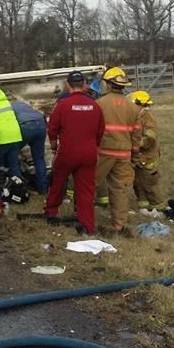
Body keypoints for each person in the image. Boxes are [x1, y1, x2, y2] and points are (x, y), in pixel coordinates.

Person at [44, 71, 104, 235]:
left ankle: (51, 212)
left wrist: (54, 146)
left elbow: (52, 128)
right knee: (85, 190)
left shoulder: (62, 105)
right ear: (84, 84)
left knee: (58, 181)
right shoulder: (95, 105)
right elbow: (100, 131)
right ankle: (87, 225)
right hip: (89, 153)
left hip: (67, 152)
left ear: (68, 85)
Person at [94, 66, 141, 235]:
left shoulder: (99, 104)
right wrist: (134, 154)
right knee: (120, 189)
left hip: (103, 152)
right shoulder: (133, 107)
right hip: (124, 154)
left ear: (108, 84)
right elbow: (137, 134)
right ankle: (119, 224)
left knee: (90, 183)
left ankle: (83, 215)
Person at [129, 90, 166, 210]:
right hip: (139, 159)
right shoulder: (138, 116)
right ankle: (144, 208)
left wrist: (134, 144)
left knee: (151, 186)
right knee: (139, 184)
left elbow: (150, 139)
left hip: (148, 159)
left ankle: (160, 209)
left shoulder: (146, 117)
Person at [10, 100, 48, 193]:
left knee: (12, 156)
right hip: (40, 124)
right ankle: (43, 188)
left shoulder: (7, 107)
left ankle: (19, 189)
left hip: (24, 126)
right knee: (39, 158)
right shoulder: (23, 104)